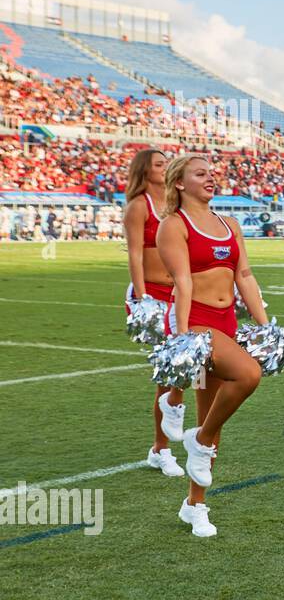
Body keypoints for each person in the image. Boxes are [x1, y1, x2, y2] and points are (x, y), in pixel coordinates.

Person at [156, 154, 268, 537]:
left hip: (226, 322)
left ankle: (195, 505)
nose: (210, 177)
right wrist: (184, 336)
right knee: (248, 374)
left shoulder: (229, 224)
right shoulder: (174, 225)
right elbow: (182, 282)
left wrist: (265, 325)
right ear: (180, 184)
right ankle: (174, 398)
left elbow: (245, 276)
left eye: (211, 173)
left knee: (211, 416)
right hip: (196, 320)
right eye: (199, 174)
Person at [121, 148, 185, 479]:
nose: (165, 168)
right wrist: (142, 296)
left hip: (178, 294)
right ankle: (161, 449)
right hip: (152, 297)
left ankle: (162, 446)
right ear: (145, 171)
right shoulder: (138, 206)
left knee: (179, 371)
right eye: (159, 164)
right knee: (170, 372)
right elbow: (134, 254)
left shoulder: (176, 205)